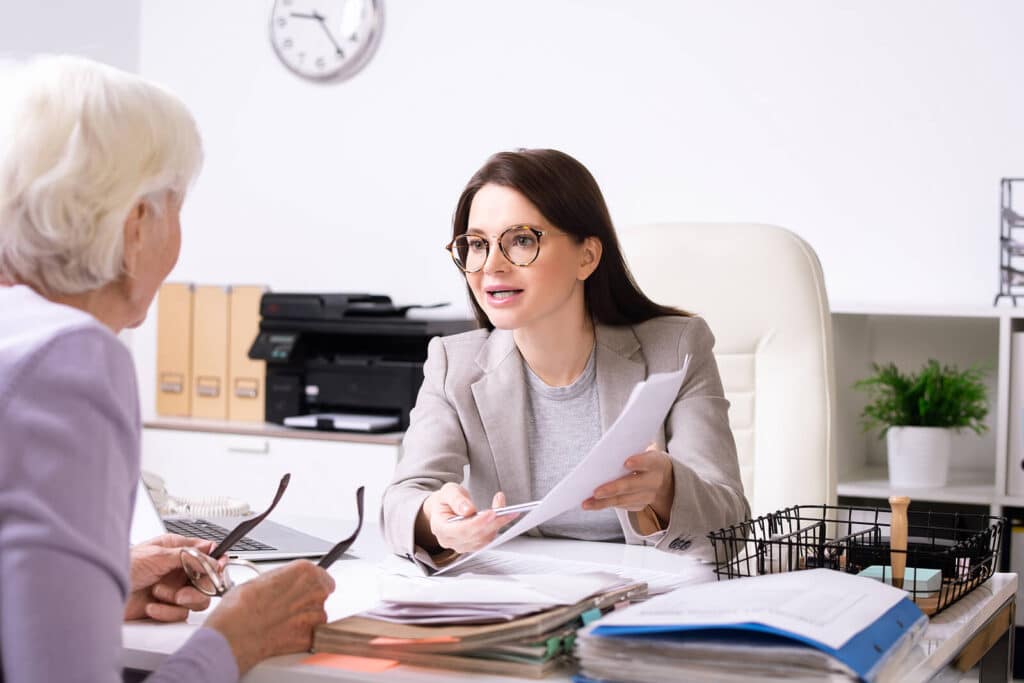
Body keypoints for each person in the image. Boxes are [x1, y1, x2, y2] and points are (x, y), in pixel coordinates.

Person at [0, 56, 334, 682]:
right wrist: (241, 638)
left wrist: (102, 582)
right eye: (176, 207)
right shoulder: (67, 356)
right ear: (135, 225)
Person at [382, 148, 750, 566]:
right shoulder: (453, 366)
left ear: (587, 256)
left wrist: (666, 489)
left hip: (648, 601)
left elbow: (731, 527)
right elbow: (400, 502)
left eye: (521, 240)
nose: (492, 266)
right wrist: (436, 519)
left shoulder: (677, 348)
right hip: (520, 601)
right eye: (477, 244)